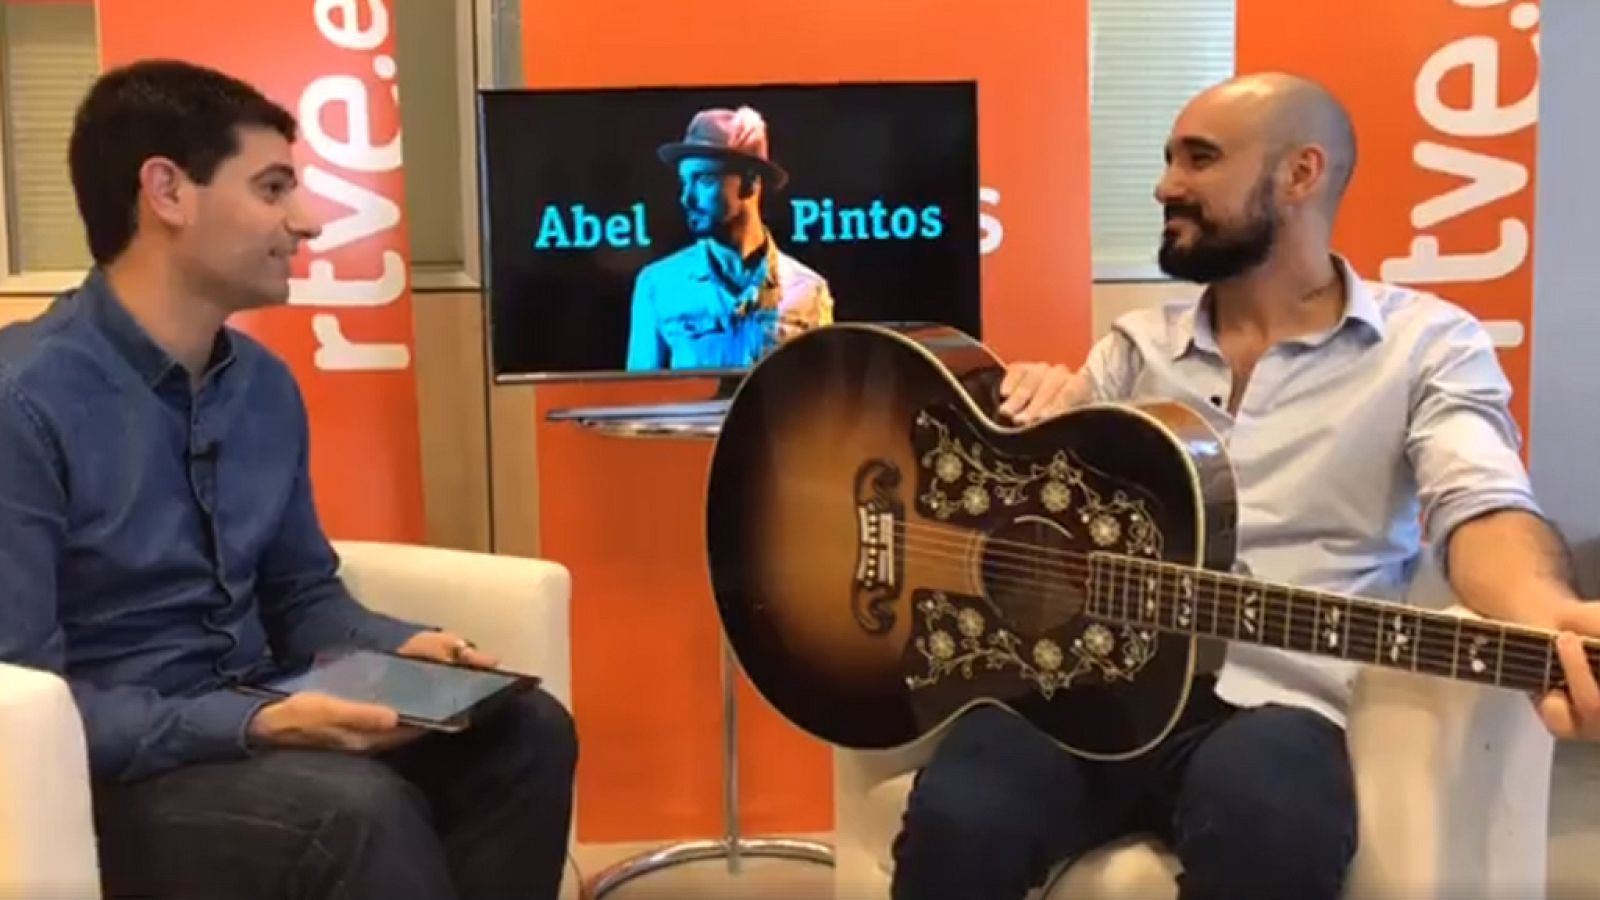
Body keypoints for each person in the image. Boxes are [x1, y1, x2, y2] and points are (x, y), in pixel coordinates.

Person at [888, 71, 1598, 900]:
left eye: (1199, 159)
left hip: (1284, 704)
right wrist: (1022, 415)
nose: (1165, 185)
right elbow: (1036, 495)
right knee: (963, 812)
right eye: (1168, 159)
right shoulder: (1135, 348)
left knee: (1268, 822)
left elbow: (1479, 503)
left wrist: (1548, 617)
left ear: (1301, 174)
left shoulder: (1427, 346)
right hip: (1099, 689)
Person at [0, 60, 576, 900]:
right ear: (167, 192)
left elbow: (302, 596)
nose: (306, 221)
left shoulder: (263, 388)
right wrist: (257, 722)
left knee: (526, 732)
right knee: (356, 814)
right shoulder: (22, 400)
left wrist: (398, 645)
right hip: (109, 774)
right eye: (272, 189)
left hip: (256, 708)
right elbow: (26, 701)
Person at [625, 105, 833, 371]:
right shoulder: (658, 285)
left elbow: (822, 390)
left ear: (750, 182)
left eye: (704, 180)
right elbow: (640, 393)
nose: (687, 198)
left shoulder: (809, 292)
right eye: (685, 182)